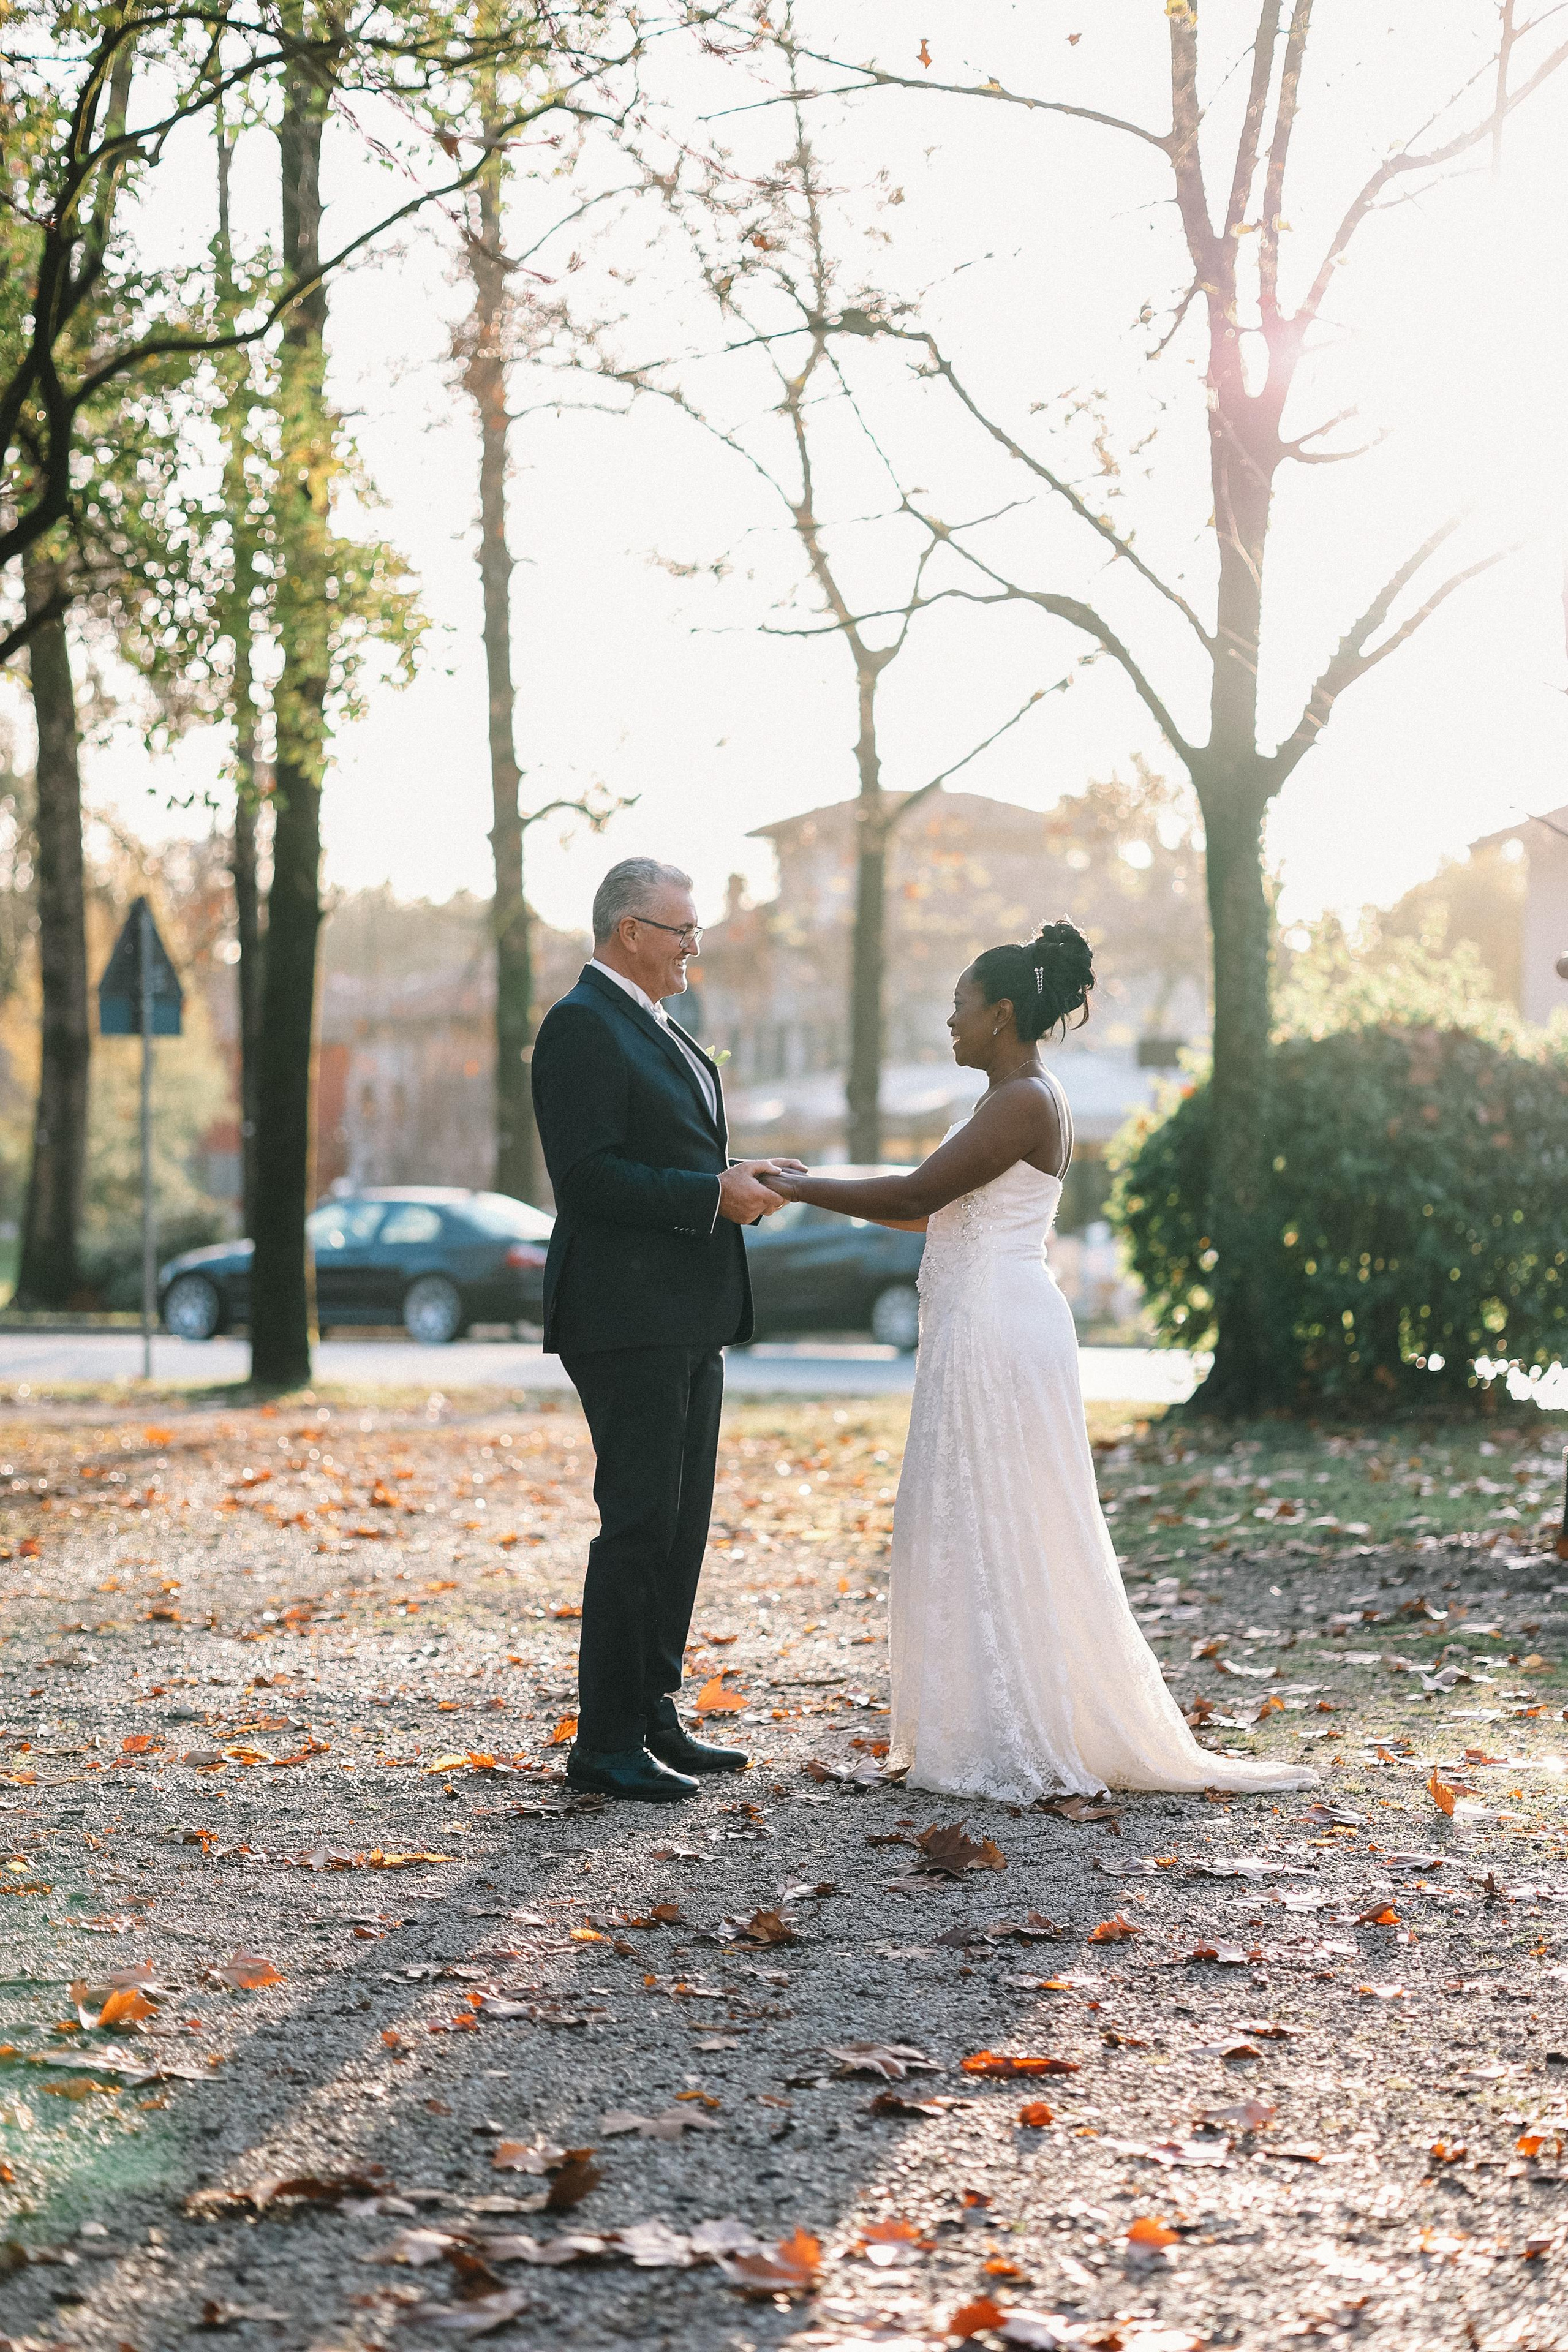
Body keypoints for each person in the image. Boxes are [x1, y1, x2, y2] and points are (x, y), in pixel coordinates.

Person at [756, 919, 1315, 1804]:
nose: (950, 1022)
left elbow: (915, 1191)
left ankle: (1014, 1728)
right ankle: (974, 1722)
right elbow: (925, 1213)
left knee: (999, 1514)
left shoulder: (1025, 1101)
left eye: (960, 1006)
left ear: (1003, 1013)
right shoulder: (1003, 1098)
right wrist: (814, 1184)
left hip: (998, 1328)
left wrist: (795, 1184)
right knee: (966, 1516)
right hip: (974, 1321)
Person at [530, 858, 802, 1803]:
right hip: (623, 1315)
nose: (695, 946)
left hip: (686, 1313)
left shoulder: (657, 1024)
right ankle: (601, 1742)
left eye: (696, 930)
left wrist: (736, 1171)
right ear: (627, 932)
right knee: (639, 1521)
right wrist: (708, 1196)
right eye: (682, 929)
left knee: (681, 1524)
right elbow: (588, 1177)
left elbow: (676, 1149)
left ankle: (651, 1713)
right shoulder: (579, 1026)